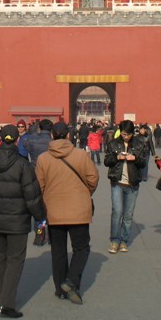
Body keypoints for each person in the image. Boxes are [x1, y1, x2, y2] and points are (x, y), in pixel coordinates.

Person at [0, 124, 46, 318]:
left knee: (0, 259)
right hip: (17, 221)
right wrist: (40, 217)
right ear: (17, 140)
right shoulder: (23, 164)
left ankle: (3, 298)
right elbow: (32, 196)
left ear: (0, 138)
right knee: (15, 260)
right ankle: (6, 304)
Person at [36, 122, 99, 305]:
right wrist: (85, 193)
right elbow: (93, 178)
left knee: (58, 251)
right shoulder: (81, 155)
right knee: (81, 248)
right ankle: (71, 281)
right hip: (79, 210)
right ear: (69, 136)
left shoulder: (43, 159)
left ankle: (60, 289)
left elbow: (39, 186)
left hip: (53, 211)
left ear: (52, 136)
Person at [104, 119, 147, 254]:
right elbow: (106, 161)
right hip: (117, 182)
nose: (126, 137)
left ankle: (124, 240)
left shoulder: (139, 144)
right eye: (123, 134)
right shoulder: (113, 143)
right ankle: (115, 240)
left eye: (128, 134)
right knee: (117, 212)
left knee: (128, 215)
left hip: (132, 184)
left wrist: (135, 159)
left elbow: (143, 163)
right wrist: (117, 157)